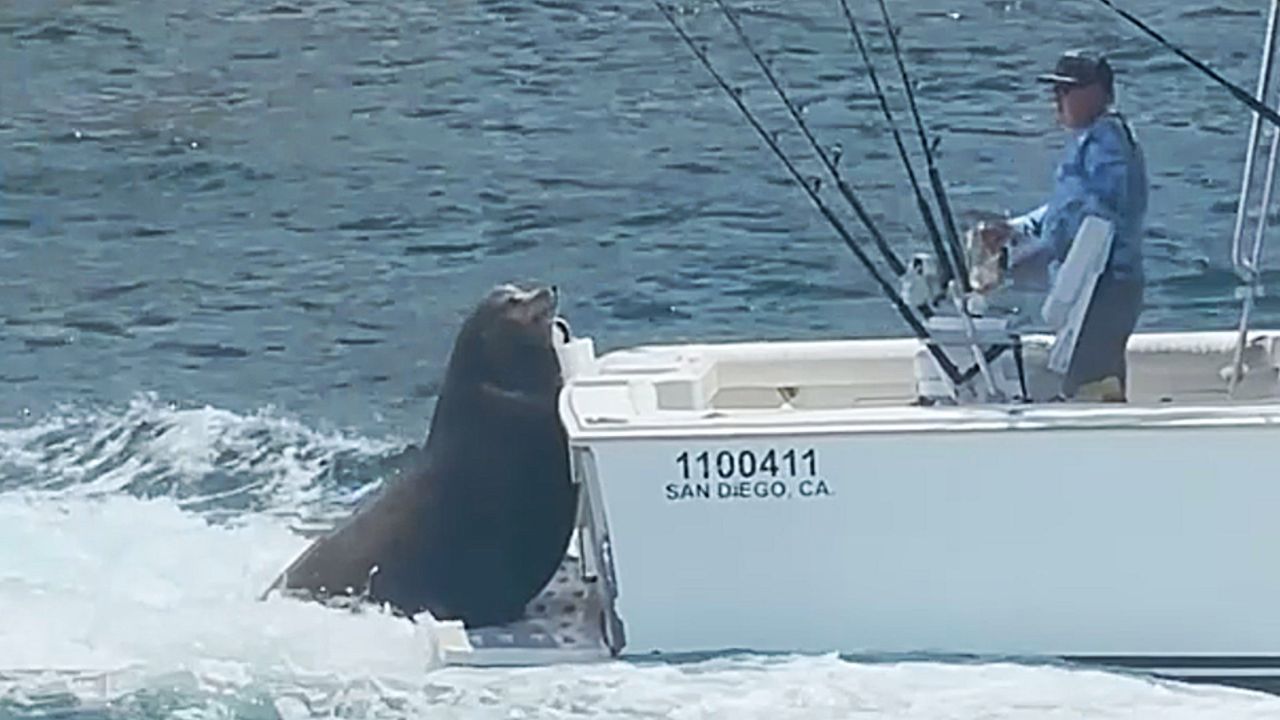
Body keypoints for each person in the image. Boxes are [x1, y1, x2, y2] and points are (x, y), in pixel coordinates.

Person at [982, 51, 1149, 400]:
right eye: (1056, 90)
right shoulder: (1092, 140)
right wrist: (1019, 228)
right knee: (1088, 377)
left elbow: (1096, 216)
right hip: (1093, 286)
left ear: (1099, 92)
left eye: (1067, 90)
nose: (1057, 99)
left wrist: (1035, 250)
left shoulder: (1108, 142)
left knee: (1091, 382)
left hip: (1106, 286)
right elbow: (1065, 208)